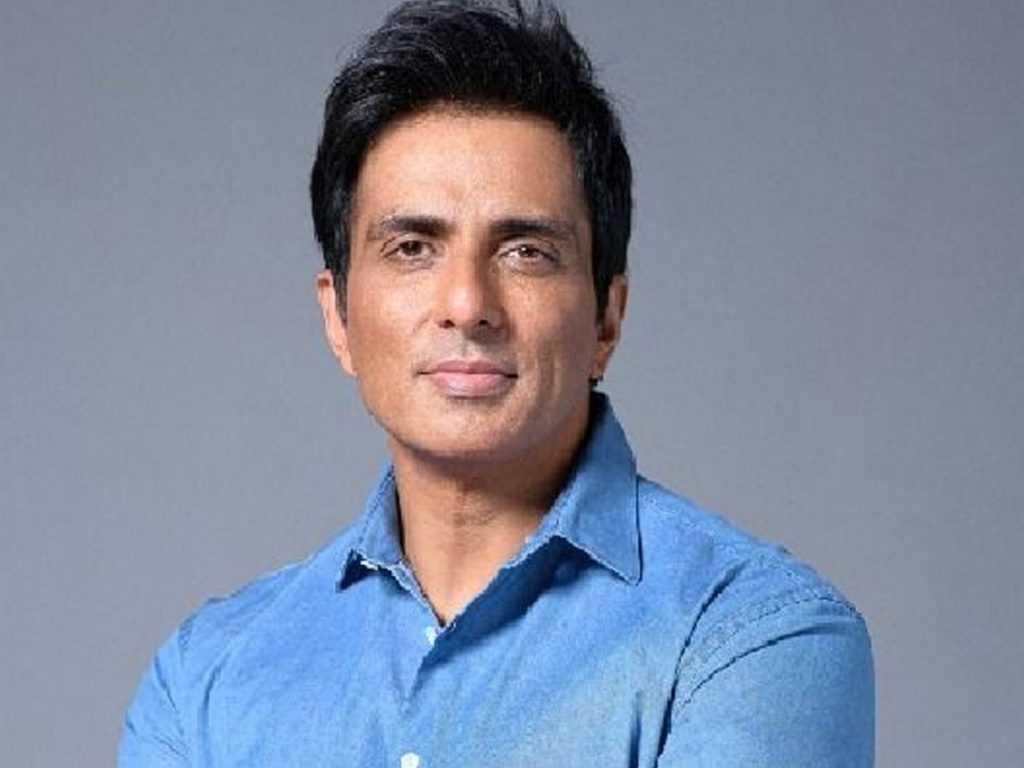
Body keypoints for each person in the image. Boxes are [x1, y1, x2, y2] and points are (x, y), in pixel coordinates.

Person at [119, 1, 874, 765]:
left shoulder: (754, 634)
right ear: (338, 317)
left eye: (525, 252)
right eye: (412, 248)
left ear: (606, 319)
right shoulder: (204, 679)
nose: (467, 304)